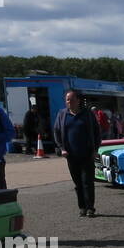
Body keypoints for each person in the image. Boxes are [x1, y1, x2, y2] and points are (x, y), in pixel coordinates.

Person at [53, 89, 102, 217]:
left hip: (87, 154)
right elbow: (57, 132)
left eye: (72, 100)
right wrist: (62, 148)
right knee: (78, 183)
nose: (69, 102)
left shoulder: (87, 114)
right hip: (71, 156)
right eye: (67, 100)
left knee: (87, 182)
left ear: (78, 101)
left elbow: (97, 132)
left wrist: (95, 149)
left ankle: (90, 208)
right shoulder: (62, 114)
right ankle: (82, 207)